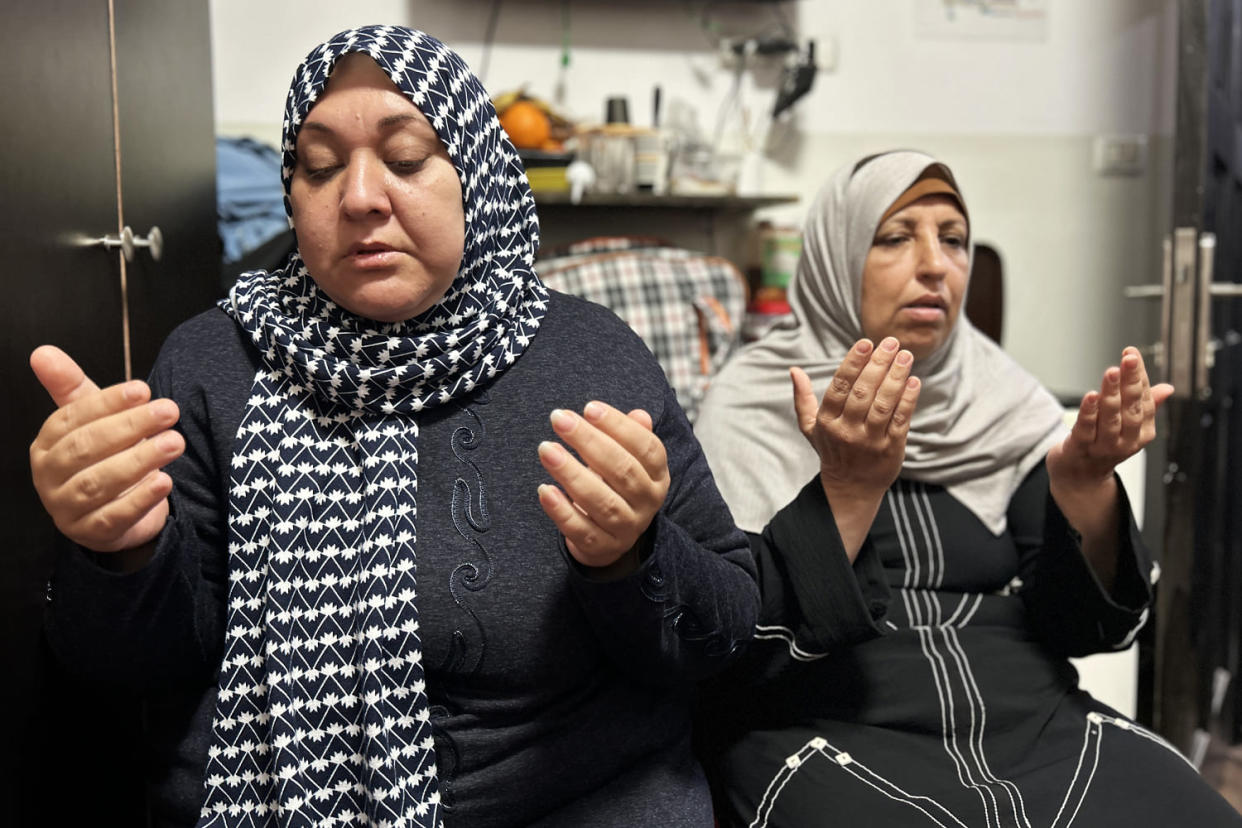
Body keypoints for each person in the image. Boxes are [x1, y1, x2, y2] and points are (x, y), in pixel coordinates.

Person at [29, 25, 758, 827]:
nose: (361, 197)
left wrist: (633, 556)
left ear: (476, 176)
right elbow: (134, 669)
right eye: (319, 166)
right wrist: (117, 549)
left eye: (407, 159)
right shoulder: (212, 362)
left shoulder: (591, 358)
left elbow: (720, 638)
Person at [693, 150, 1242, 826]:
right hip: (828, 731)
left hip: (1036, 725)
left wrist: (1084, 486)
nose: (936, 264)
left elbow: (1092, 628)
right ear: (837, 260)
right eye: (896, 237)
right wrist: (847, 488)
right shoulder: (755, 405)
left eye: (954, 239)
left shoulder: (1004, 403)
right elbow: (729, 652)